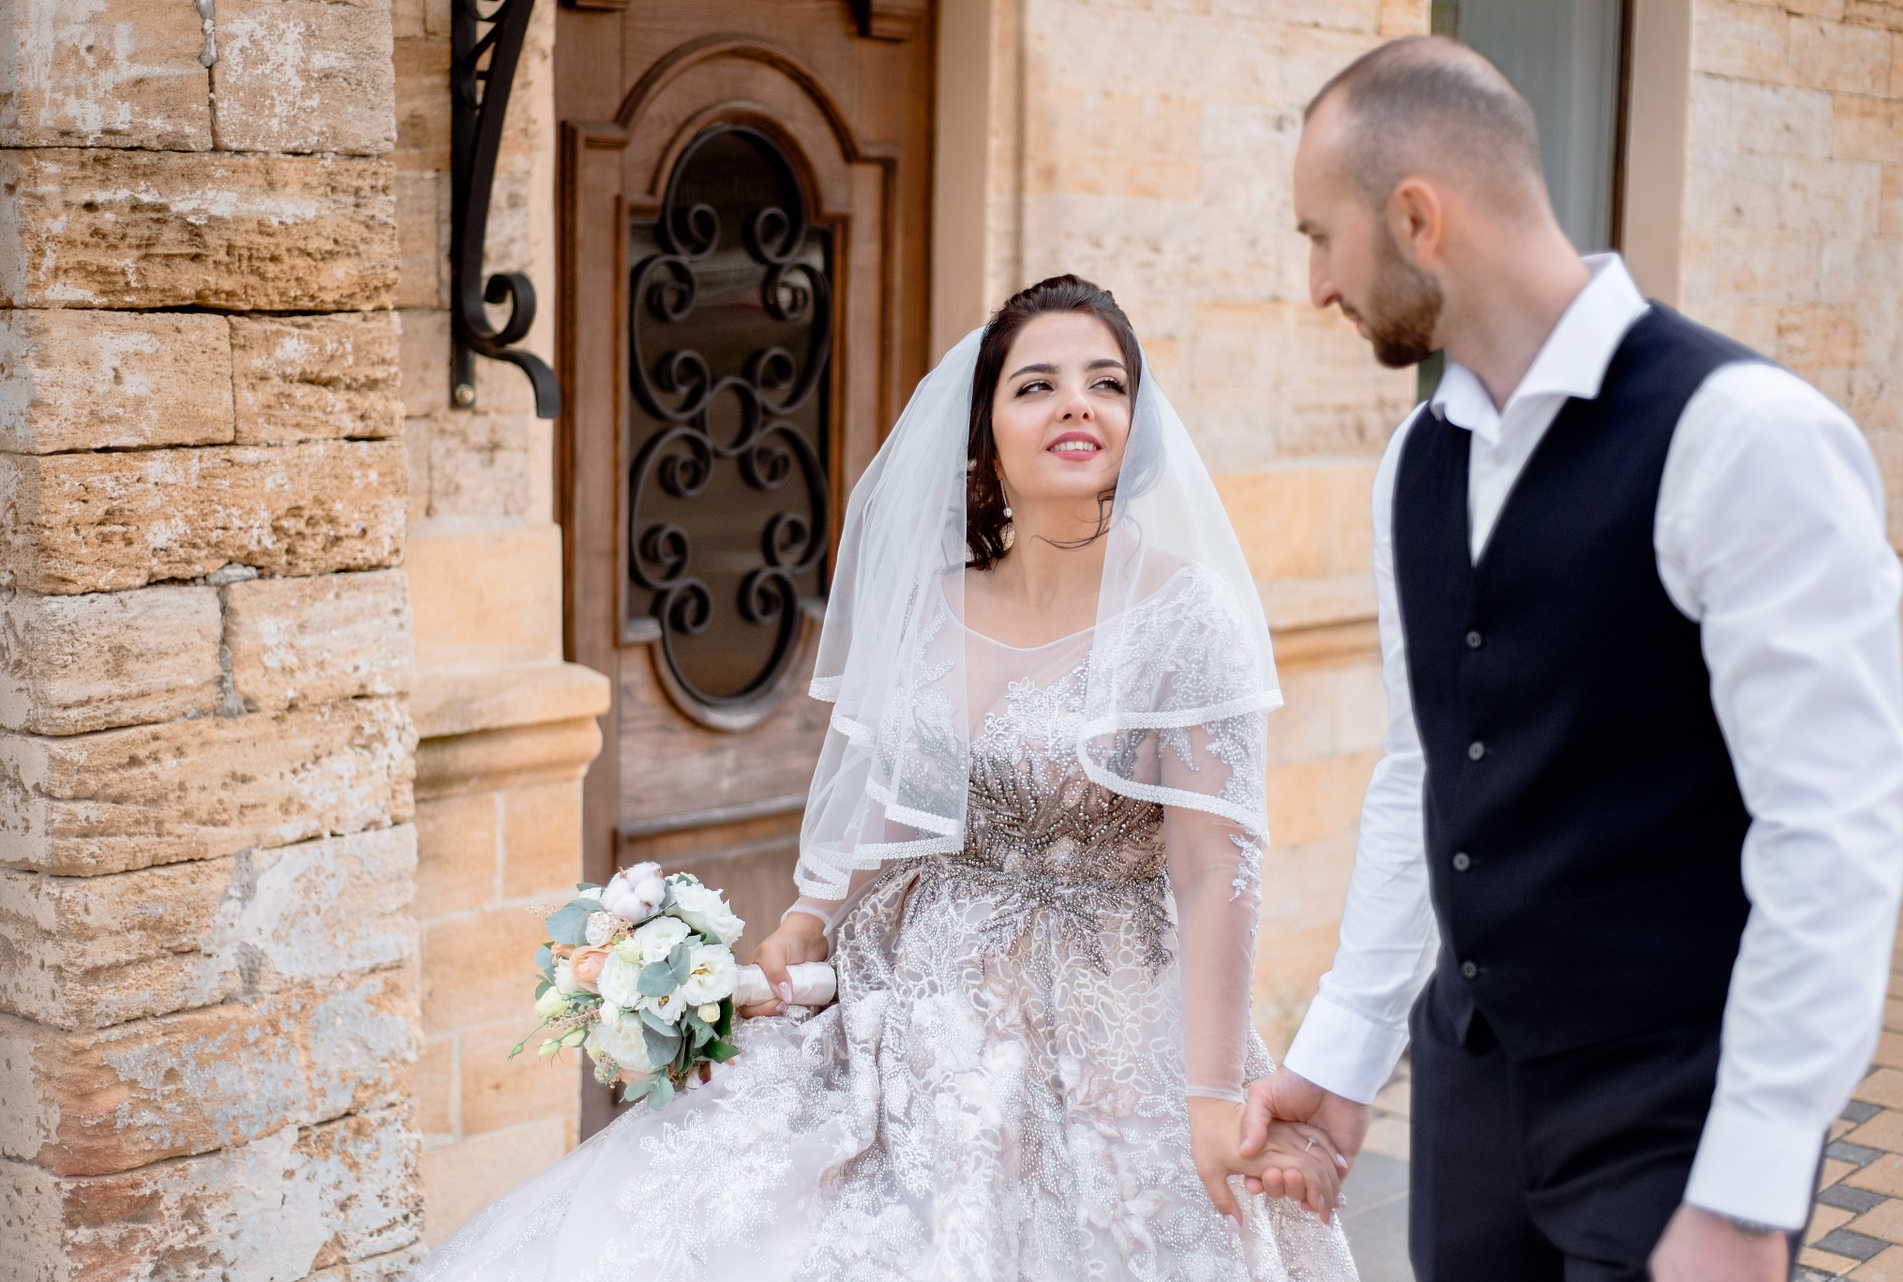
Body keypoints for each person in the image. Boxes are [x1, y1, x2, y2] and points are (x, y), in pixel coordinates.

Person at [413, 276, 1359, 1281]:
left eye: (1106, 383)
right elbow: (895, 798)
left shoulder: (1186, 614)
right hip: (921, 996)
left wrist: (1211, 1096)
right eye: (1037, 385)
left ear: (1137, 423)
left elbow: (1218, 871)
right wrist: (810, 918)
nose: (1077, 404)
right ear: (985, 432)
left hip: (1113, 1011)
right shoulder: (934, 604)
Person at [1239, 36, 1903, 1282]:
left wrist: (1751, 1188)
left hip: (1674, 1115)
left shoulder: (1743, 436)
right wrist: (1341, 1054)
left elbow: (1834, 831)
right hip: (1472, 1103)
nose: (1318, 285)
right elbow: (1422, 771)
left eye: (1321, 237)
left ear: (1417, 218)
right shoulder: (1416, 464)